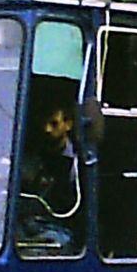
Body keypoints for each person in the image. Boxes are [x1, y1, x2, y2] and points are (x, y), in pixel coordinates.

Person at [17, 102, 81, 253]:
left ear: (68, 124)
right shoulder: (30, 154)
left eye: (54, 124)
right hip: (27, 225)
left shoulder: (81, 161)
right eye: (44, 123)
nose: (46, 129)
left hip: (60, 227)